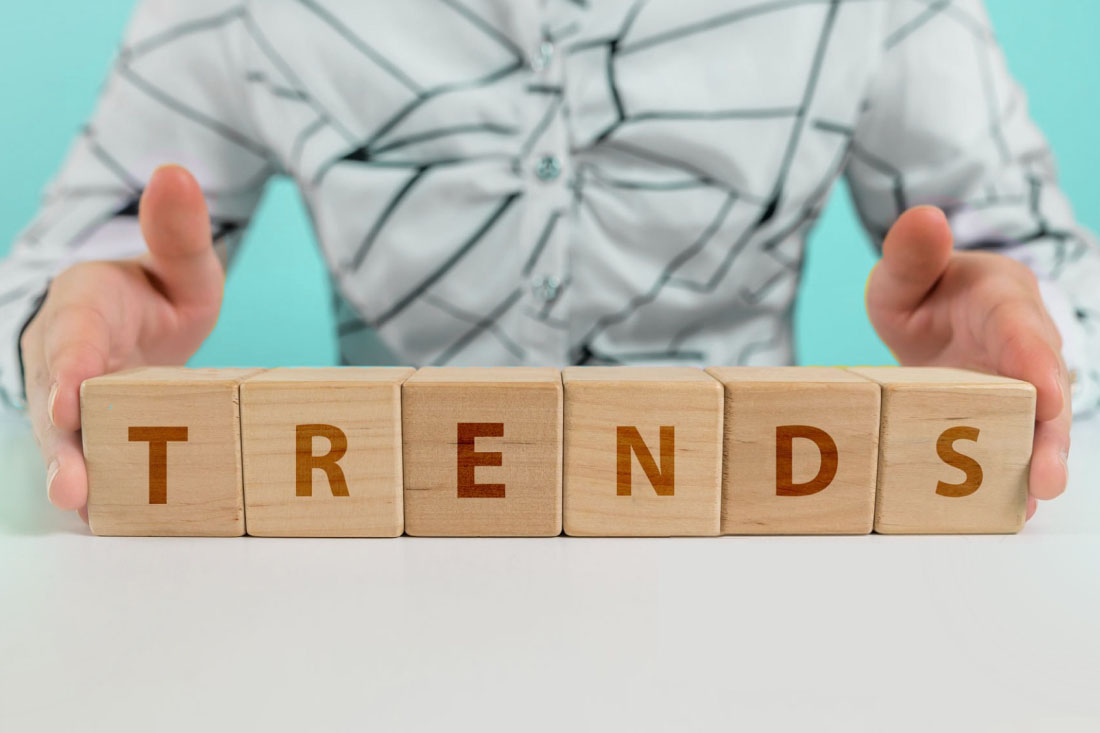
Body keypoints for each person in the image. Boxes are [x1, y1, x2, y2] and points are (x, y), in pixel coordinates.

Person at [3, 0, 1094, 522]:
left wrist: (1016, 313)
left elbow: (1046, 266)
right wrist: (84, 310)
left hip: (759, 568)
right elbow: (49, 275)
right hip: (371, 575)